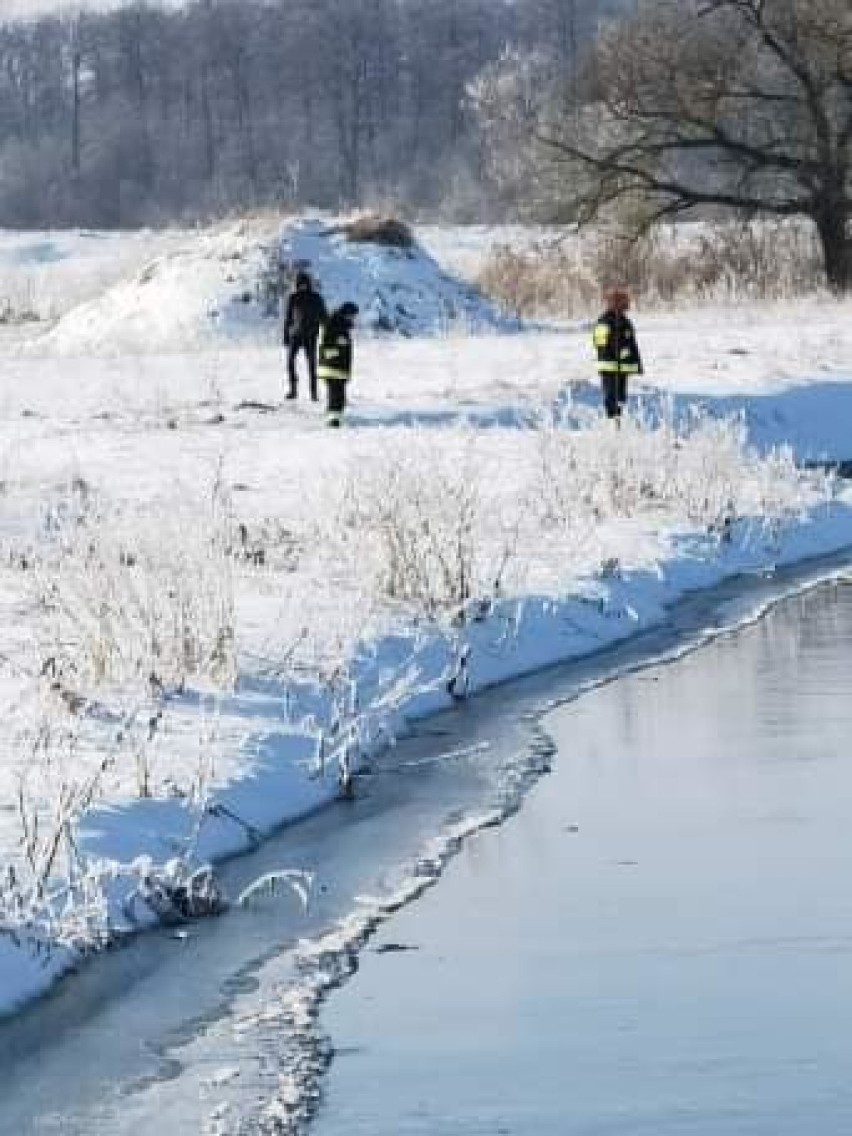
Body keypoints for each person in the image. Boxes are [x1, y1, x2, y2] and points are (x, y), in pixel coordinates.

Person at [592, 287, 643, 421]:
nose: (628, 303)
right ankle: (611, 424)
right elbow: (600, 342)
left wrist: (631, 360)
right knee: (611, 398)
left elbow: (630, 343)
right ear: (616, 302)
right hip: (610, 367)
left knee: (621, 398)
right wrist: (615, 352)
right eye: (625, 300)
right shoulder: (605, 321)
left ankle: (618, 423)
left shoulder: (624, 320)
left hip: (621, 367)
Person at [282, 270, 327, 401]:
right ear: (297, 284)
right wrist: (285, 335)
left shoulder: (316, 297)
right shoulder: (293, 297)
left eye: (304, 283)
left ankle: (313, 394)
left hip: (311, 336)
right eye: (300, 283)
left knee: (312, 365)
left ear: (308, 283)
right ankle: (293, 390)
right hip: (295, 336)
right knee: (290, 363)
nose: (302, 286)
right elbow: (288, 318)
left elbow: (324, 316)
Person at [318, 301, 359, 427]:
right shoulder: (332, 323)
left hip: (339, 368)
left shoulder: (341, 325)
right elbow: (325, 345)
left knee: (339, 396)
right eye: (352, 315)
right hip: (332, 367)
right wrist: (339, 349)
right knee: (336, 395)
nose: (354, 318)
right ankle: (333, 420)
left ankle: (334, 417)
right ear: (347, 313)